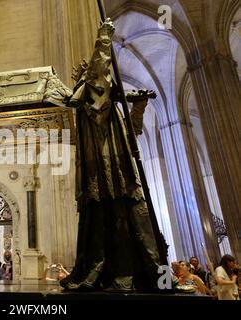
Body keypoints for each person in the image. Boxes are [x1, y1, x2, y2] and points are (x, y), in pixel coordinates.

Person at [59, 19, 165, 292]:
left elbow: (132, 136)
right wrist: (103, 39)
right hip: (103, 173)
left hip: (121, 170)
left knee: (139, 222)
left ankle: (156, 278)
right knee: (109, 226)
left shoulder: (110, 106)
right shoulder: (89, 101)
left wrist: (138, 106)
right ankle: (114, 276)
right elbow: (97, 79)